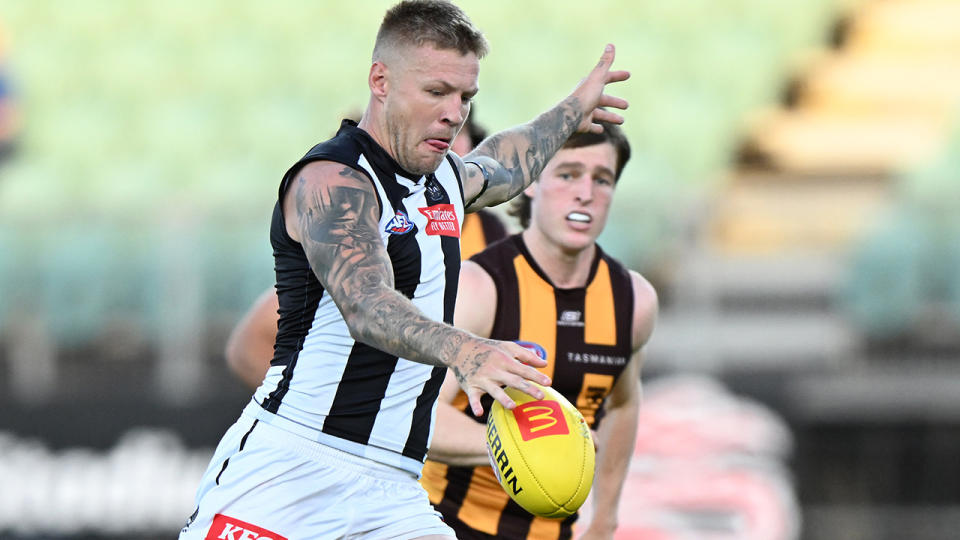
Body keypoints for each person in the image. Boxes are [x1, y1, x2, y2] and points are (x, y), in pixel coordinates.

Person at [180, 1, 630, 539]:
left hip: (392, 492)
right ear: (380, 80)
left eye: (466, 97)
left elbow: (506, 165)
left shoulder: (442, 181)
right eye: (436, 92)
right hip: (288, 473)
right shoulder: (333, 181)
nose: (454, 112)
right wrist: (468, 351)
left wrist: (571, 111)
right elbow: (368, 307)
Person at [421, 121, 657, 540]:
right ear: (530, 184)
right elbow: (416, 413)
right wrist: (521, 448)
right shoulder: (480, 286)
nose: (585, 192)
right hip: (446, 524)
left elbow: (622, 405)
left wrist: (605, 518)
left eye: (602, 179)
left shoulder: (634, 301)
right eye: (568, 174)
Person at [224, 110, 509, 389]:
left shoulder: (489, 232)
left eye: (458, 133)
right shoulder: (375, 226)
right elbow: (249, 343)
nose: (446, 142)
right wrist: (321, 410)